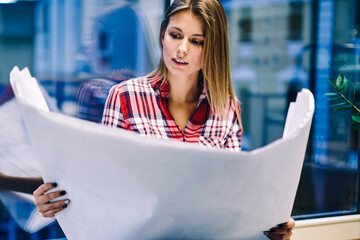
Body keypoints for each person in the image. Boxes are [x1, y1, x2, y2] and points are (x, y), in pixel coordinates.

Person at [33, 0, 295, 239]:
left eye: (197, 41)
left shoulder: (227, 108)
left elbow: (234, 199)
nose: (181, 49)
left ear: (212, 48)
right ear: (162, 35)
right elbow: (103, 185)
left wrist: (268, 224)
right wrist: (55, 200)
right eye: (175, 35)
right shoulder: (124, 96)